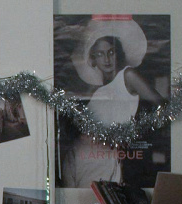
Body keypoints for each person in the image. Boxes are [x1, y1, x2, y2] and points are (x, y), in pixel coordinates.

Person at [63, 21, 163, 186]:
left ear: (119, 53)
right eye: (100, 54)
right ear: (93, 59)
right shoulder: (97, 92)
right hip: (79, 156)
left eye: (111, 52)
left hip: (105, 158)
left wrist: (133, 131)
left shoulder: (127, 76)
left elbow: (163, 107)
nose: (107, 59)